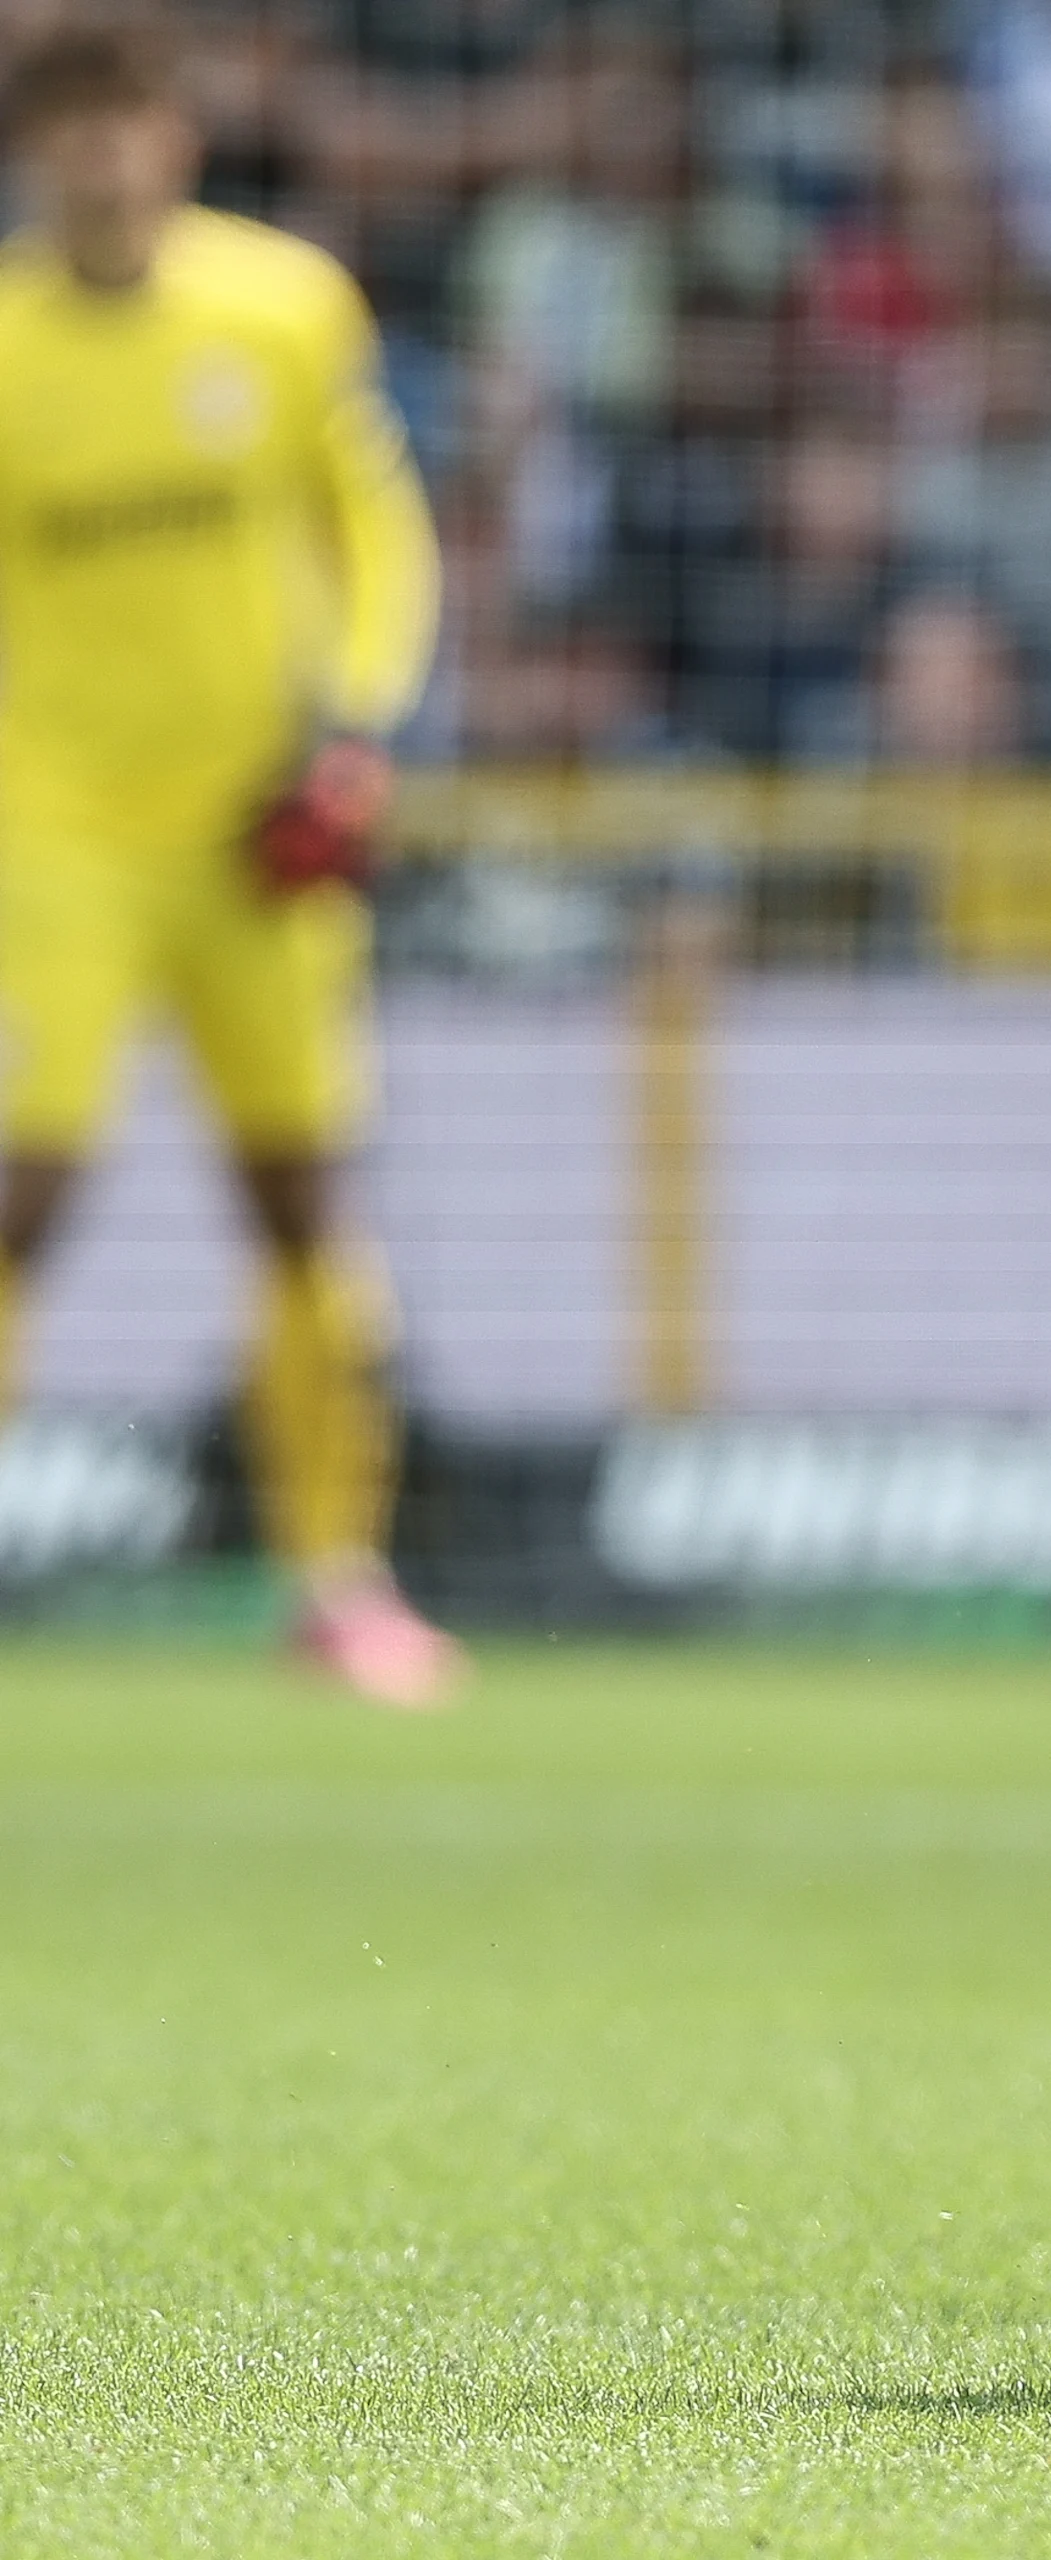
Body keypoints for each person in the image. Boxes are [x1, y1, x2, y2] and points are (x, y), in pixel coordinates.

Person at [0, 26, 455, 1705]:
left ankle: (338, 1579)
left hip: (260, 828)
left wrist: (355, 730)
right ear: (34, 156)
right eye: (69, 132)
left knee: (298, 1200)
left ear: (174, 137)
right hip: (54, 832)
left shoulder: (280, 307)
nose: (102, 159)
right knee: (27, 1193)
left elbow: (376, 532)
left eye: (125, 124)